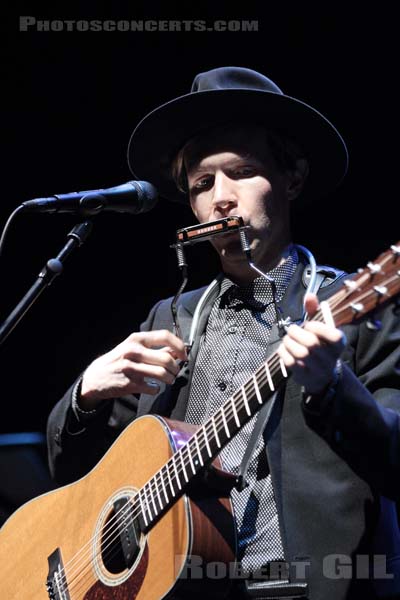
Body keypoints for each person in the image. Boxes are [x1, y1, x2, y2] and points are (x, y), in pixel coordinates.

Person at [47, 67, 400, 600]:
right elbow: (76, 481)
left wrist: (332, 387)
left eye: (242, 171)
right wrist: (86, 394)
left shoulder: (344, 309)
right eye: (203, 185)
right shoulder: (169, 320)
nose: (222, 199)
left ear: (292, 178)